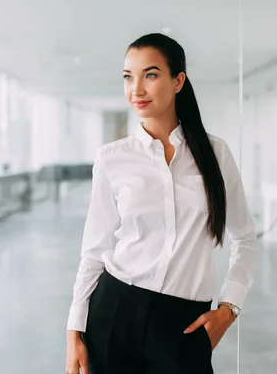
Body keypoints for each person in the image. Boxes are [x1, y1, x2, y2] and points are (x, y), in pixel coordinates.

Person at [65, 33, 257, 374]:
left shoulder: (215, 154)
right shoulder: (113, 158)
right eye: (128, 76)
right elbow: (94, 249)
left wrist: (229, 309)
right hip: (115, 312)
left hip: (184, 322)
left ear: (178, 80)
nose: (136, 89)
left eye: (150, 75)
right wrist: (74, 329)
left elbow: (244, 237)